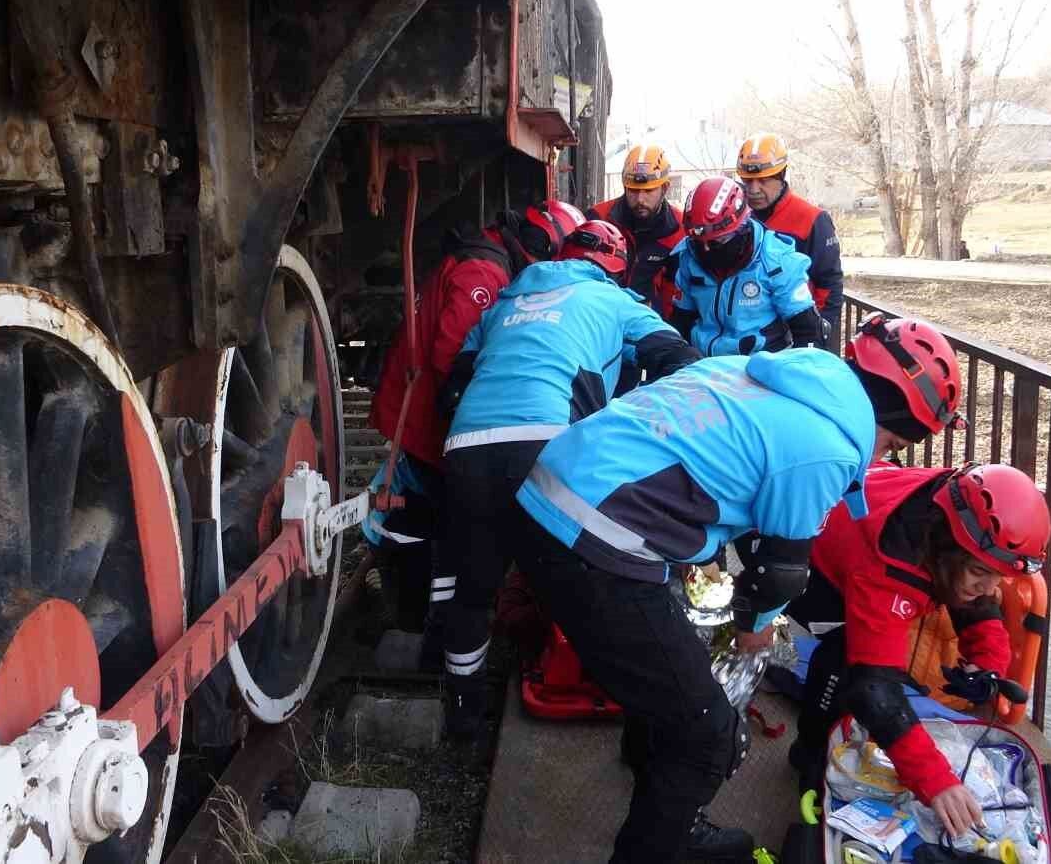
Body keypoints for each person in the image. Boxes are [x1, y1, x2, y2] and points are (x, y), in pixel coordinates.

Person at [510, 314, 964, 863]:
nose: (881, 457)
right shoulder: (830, 444)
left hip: (549, 500)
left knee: (670, 680)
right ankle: (659, 846)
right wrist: (755, 627)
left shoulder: (759, 374)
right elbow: (780, 570)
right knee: (706, 738)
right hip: (595, 540)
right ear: (889, 414)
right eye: (891, 441)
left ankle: (668, 812)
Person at [432, 219, 697, 737]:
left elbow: (455, 382)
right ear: (614, 271)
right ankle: (593, 675)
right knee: (579, 574)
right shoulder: (615, 301)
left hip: (466, 445)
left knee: (475, 585)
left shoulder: (504, 302)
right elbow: (679, 359)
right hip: (547, 439)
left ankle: (464, 708)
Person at [785, 460, 1051, 840]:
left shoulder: (951, 519)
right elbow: (874, 689)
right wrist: (936, 782)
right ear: (948, 548)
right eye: (980, 572)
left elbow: (972, 596)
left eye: (1000, 576)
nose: (990, 586)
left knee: (870, 663)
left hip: (848, 509)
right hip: (808, 556)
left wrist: (986, 666)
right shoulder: (890, 564)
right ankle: (810, 753)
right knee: (846, 658)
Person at [366, 201, 582, 634]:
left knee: (433, 507)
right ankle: (426, 620)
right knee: (445, 516)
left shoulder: (485, 255)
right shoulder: (485, 273)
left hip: (420, 409)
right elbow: (454, 354)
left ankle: (423, 610)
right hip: (427, 416)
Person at [669, 176, 827, 358]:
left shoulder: (777, 261)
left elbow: (808, 331)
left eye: (716, 242)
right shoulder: (689, 256)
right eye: (698, 241)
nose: (706, 250)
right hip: (705, 365)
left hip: (760, 367)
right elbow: (681, 320)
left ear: (741, 228)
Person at [737, 133, 846, 352]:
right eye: (747, 181)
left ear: (782, 175)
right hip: (748, 338)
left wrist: (820, 333)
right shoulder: (737, 217)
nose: (754, 189)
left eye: (764, 181)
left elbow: (829, 283)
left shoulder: (812, 219)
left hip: (798, 336)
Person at [587, 145, 687, 316]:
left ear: (665, 188)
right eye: (633, 190)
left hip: (648, 320)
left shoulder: (680, 229)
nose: (640, 199)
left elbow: (678, 293)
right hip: (599, 314)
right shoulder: (597, 218)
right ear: (624, 186)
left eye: (648, 191)